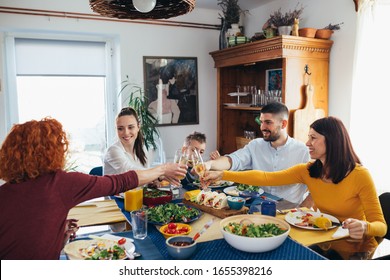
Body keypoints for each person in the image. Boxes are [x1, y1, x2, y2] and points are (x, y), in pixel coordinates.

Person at [0, 118, 187, 259]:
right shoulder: (60, 183)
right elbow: (121, 181)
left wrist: (54, 232)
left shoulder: (4, 193)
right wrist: (163, 168)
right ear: (52, 152)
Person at [203, 116, 387, 239]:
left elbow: (381, 226)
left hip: (356, 250)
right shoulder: (308, 170)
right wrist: (223, 174)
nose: (307, 143)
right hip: (322, 239)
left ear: (332, 140)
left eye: (313, 138)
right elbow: (266, 178)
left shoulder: (360, 175)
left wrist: (365, 227)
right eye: (308, 137)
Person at [205, 102, 311, 206]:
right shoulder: (255, 145)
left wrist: (301, 210)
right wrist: (210, 164)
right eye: (261, 122)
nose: (262, 127)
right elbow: (232, 160)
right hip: (258, 206)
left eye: (268, 122)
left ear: (283, 124)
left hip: (288, 211)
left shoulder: (303, 151)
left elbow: (315, 189)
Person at [104, 107, 153, 175]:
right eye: (120, 129)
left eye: (130, 127)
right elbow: (132, 174)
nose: (126, 133)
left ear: (138, 127)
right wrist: (160, 172)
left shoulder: (142, 148)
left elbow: (145, 177)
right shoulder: (113, 151)